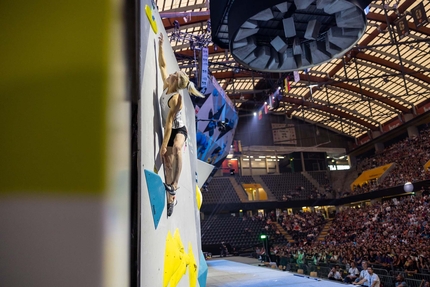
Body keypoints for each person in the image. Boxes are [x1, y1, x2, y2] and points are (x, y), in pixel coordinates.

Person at [158, 33, 205, 216]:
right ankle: (172, 197)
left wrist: (164, 145)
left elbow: (170, 124)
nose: (169, 74)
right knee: (167, 165)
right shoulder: (166, 85)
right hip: (169, 127)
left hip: (178, 129)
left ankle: (175, 183)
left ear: (175, 82)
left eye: (173, 75)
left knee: (177, 148)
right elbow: (162, 65)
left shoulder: (176, 99)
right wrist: (161, 46)